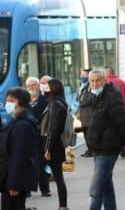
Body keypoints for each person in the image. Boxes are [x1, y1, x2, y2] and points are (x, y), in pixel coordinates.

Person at [86, 69, 125, 210]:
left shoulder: (112, 96)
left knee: (97, 188)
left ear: (104, 81)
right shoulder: (92, 96)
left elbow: (123, 121)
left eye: (97, 80)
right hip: (97, 146)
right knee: (105, 185)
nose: (94, 84)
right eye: (92, 81)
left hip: (108, 147)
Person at [1, 87, 39, 210]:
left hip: (14, 182)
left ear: (21, 102)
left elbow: (19, 156)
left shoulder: (22, 126)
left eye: (12, 101)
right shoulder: (17, 121)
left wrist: (14, 184)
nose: (8, 104)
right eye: (7, 101)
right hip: (10, 179)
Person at [40, 78, 68, 210]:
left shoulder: (56, 104)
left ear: (53, 88)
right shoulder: (57, 102)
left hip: (53, 146)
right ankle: (63, 206)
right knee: (58, 177)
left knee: (58, 177)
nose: (44, 88)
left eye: (47, 85)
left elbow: (54, 128)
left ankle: (63, 206)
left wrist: (48, 149)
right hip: (53, 145)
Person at [26, 77, 51, 197]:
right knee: (27, 164)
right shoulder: (24, 101)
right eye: (29, 86)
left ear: (38, 86)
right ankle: (27, 189)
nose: (31, 88)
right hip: (27, 137)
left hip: (41, 136)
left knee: (41, 164)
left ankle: (45, 189)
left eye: (33, 85)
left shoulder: (45, 100)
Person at [104, 66, 125, 159]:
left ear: (108, 72)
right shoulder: (121, 82)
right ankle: (124, 151)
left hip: (109, 111)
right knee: (122, 130)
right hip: (122, 109)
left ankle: (114, 150)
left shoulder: (105, 82)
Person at [79, 68, 93, 158]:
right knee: (85, 132)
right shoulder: (83, 86)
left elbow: (89, 99)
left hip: (88, 113)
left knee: (89, 133)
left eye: (84, 75)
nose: (82, 77)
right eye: (82, 75)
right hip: (83, 113)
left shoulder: (90, 86)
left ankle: (91, 150)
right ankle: (89, 149)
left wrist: (81, 103)